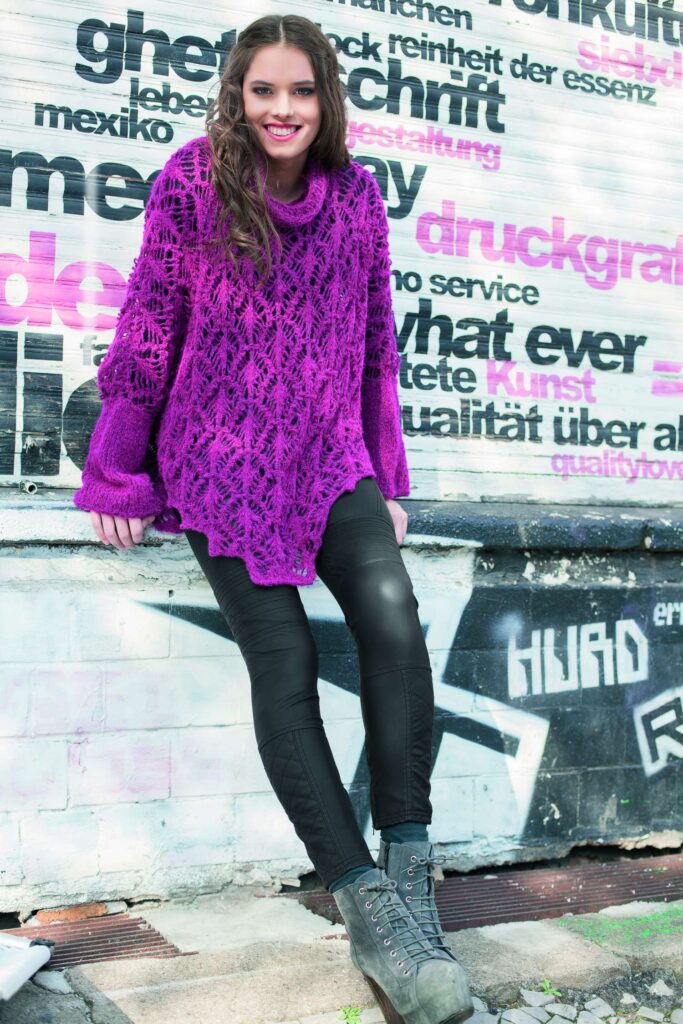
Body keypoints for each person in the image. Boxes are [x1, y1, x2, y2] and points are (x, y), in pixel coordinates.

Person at [73, 14, 474, 1024]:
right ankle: (366, 906)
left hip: (330, 455)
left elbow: (374, 343)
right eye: (263, 90)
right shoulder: (191, 182)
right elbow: (148, 325)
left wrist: (385, 473)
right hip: (218, 461)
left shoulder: (357, 198)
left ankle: (409, 874)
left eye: (300, 91)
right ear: (237, 94)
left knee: (393, 623)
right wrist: (117, 470)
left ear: (324, 98)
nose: (281, 110)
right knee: (284, 658)